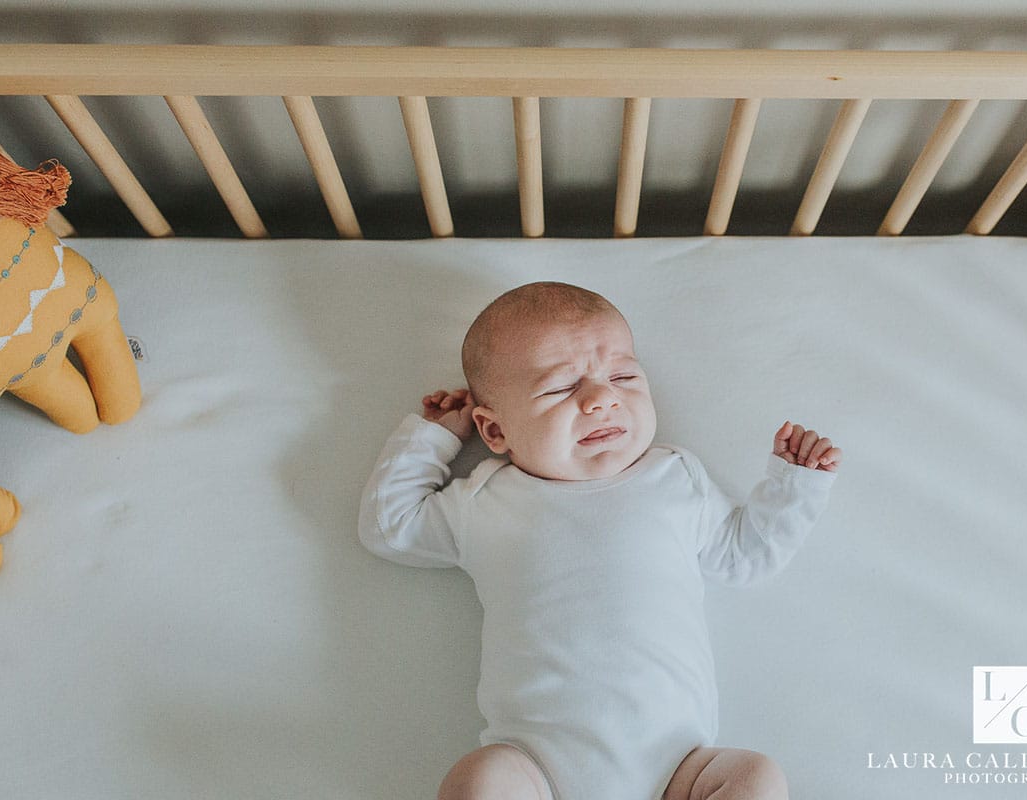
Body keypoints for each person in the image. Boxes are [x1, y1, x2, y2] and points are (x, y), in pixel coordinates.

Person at [359, 281, 841, 800]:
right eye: (560, 389)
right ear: (494, 433)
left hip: (680, 769)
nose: (601, 398)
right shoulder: (484, 502)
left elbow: (746, 557)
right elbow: (389, 527)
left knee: (758, 778)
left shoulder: (674, 478)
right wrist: (436, 436)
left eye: (623, 376)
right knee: (479, 781)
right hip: (534, 766)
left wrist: (794, 485)